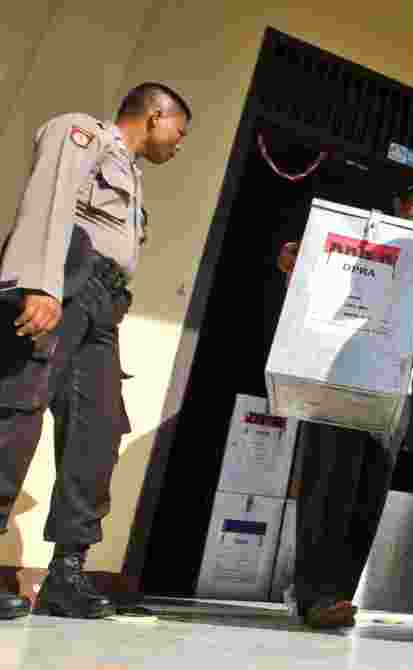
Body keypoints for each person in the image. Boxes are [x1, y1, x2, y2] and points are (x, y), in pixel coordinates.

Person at [0, 83, 191, 619]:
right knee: (17, 412)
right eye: (179, 130)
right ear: (155, 116)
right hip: (65, 277)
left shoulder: (132, 174)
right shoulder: (82, 132)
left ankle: (66, 575)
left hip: (104, 304)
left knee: (98, 429)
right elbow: (50, 196)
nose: (179, 144)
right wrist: (38, 281)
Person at [275, 181, 413, 629]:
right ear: (398, 205)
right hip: (337, 378)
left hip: (392, 389)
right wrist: (299, 254)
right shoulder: (363, 241)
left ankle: (338, 595)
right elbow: (311, 265)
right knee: (326, 484)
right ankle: (314, 594)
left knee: (368, 492)